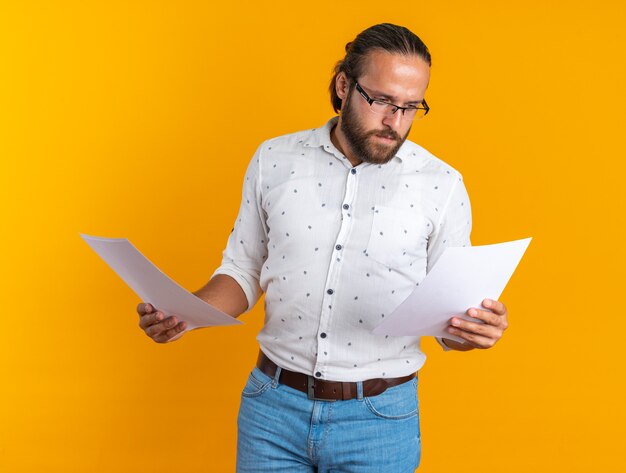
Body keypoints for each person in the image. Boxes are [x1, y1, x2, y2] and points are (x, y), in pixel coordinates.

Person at [136, 23, 509, 472]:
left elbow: (450, 316)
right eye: (383, 101)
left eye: (411, 107)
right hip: (271, 412)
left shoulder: (443, 186)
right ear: (344, 84)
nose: (396, 122)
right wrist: (185, 312)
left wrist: (474, 331)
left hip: (380, 423)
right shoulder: (273, 159)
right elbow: (243, 269)